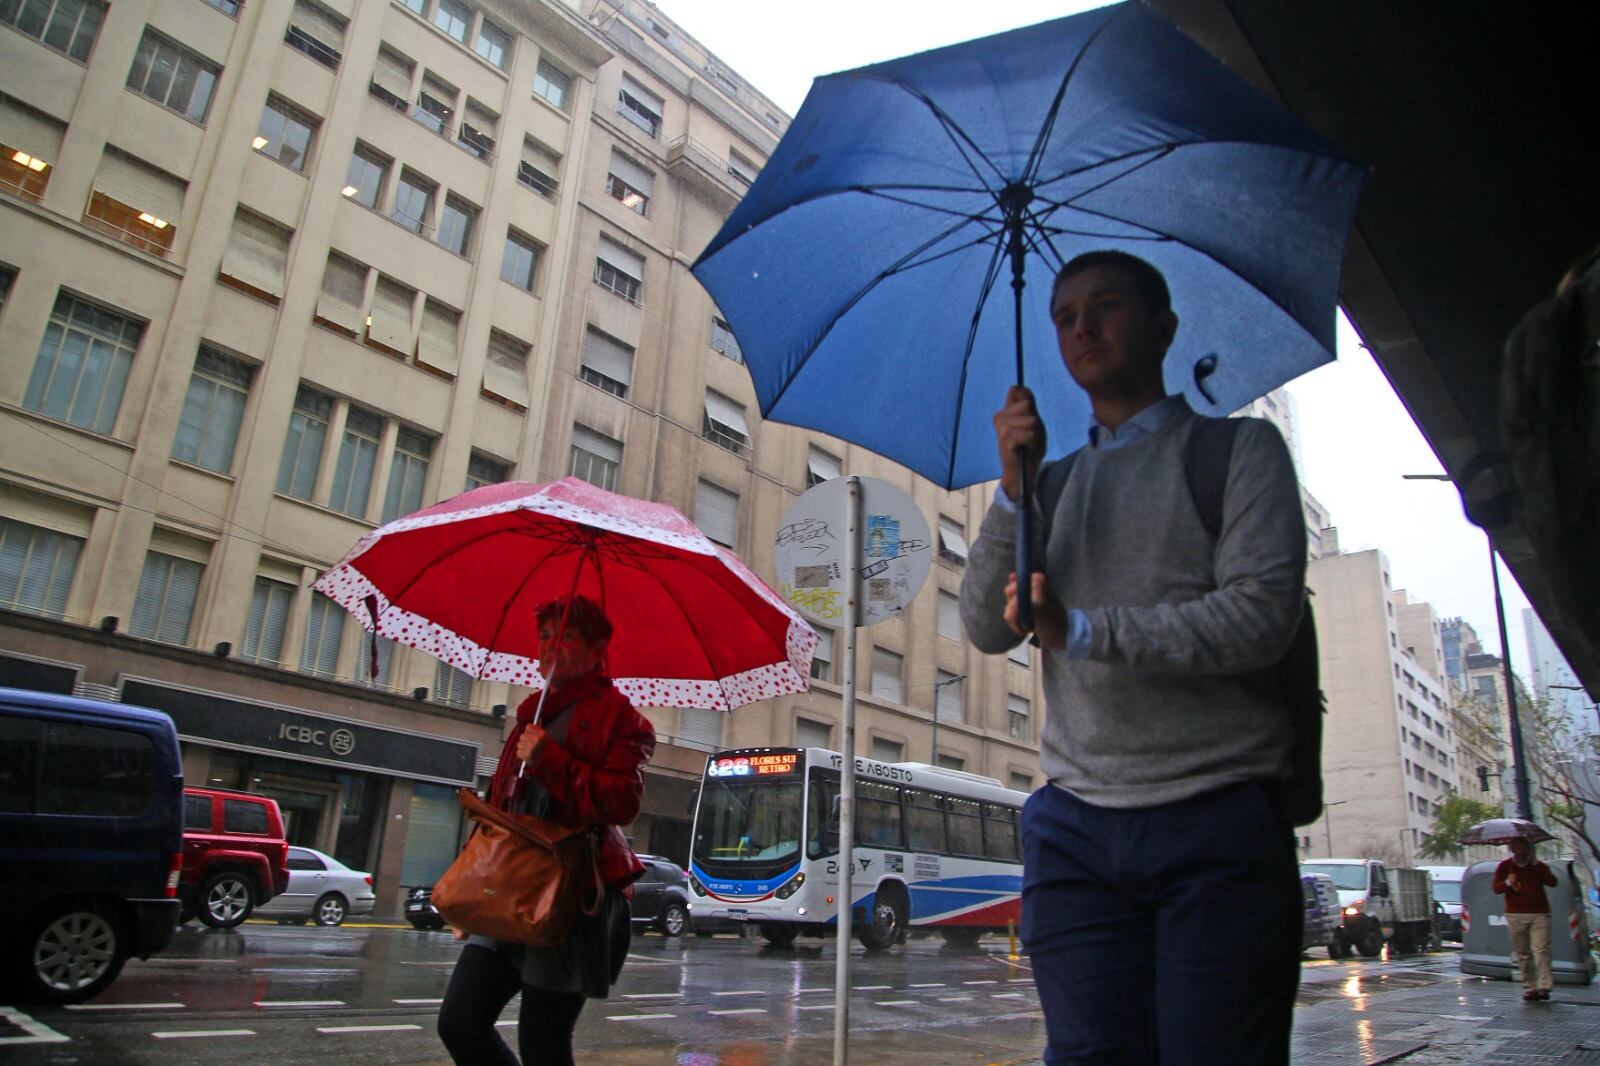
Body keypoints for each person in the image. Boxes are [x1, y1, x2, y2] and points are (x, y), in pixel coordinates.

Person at [960, 250, 1308, 1064]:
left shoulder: (1241, 454)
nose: (1082, 327)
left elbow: (1259, 619)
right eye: (1065, 315)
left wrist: (1080, 631)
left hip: (1217, 817)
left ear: (1164, 327)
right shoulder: (1051, 481)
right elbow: (983, 625)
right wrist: (1014, 490)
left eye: (1105, 306)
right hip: (1076, 826)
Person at [437, 595, 656, 1066]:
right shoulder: (529, 714)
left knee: (543, 1041)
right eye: (543, 636)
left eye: (566, 636)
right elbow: (503, 808)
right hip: (509, 882)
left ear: (598, 648)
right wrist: (473, 892)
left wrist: (549, 760)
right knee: (459, 1021)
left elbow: (623, 802)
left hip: (568, 894)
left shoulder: (622, 719)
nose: (549, 646)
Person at [1493, 837, 1559, 1001]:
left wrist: (1536, 865)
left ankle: (1544, 986)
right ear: (1512, 849)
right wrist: (1508, 882)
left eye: (1523, 847)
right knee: (1523, 952)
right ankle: (1530, 986)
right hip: (1516, 914)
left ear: (1529, 849)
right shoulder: (1505, 866)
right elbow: (1496, 888)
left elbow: (1552, 882)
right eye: (1516, 847)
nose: (1520, 850)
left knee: (1541, 950)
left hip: (1539, 913)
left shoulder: (1537, 866)